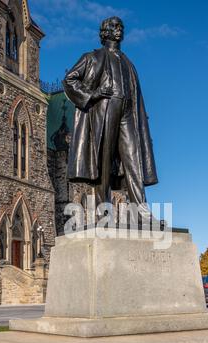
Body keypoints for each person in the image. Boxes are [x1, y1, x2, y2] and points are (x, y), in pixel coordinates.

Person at [63, 16, 158, 221]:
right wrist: (92, 94)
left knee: (134, 161)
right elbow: (69, 80)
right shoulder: (92, 57)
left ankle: (141, 212)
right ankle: (103, 212)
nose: (119, 30)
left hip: (127, 112)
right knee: (103, 162)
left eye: (121, 27)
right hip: (105, 109)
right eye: (114, 27)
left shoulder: (128, 64)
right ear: (105, 32)